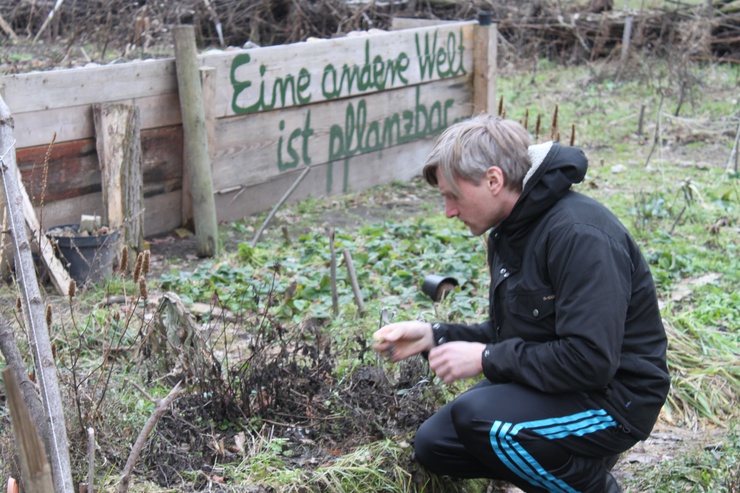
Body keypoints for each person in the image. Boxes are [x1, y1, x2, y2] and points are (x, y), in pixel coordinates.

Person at [373, 115, 670, 493]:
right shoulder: (514, 230)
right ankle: (568, 464)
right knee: (436, 444)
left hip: (615, 400)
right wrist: (434, 335)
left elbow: (590, 361)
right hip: (566, 384)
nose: (448, 211)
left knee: (484, 421)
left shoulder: (578, 235)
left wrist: (484, 359)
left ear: (493, 181)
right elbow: (515, 334)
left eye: (453, 196)